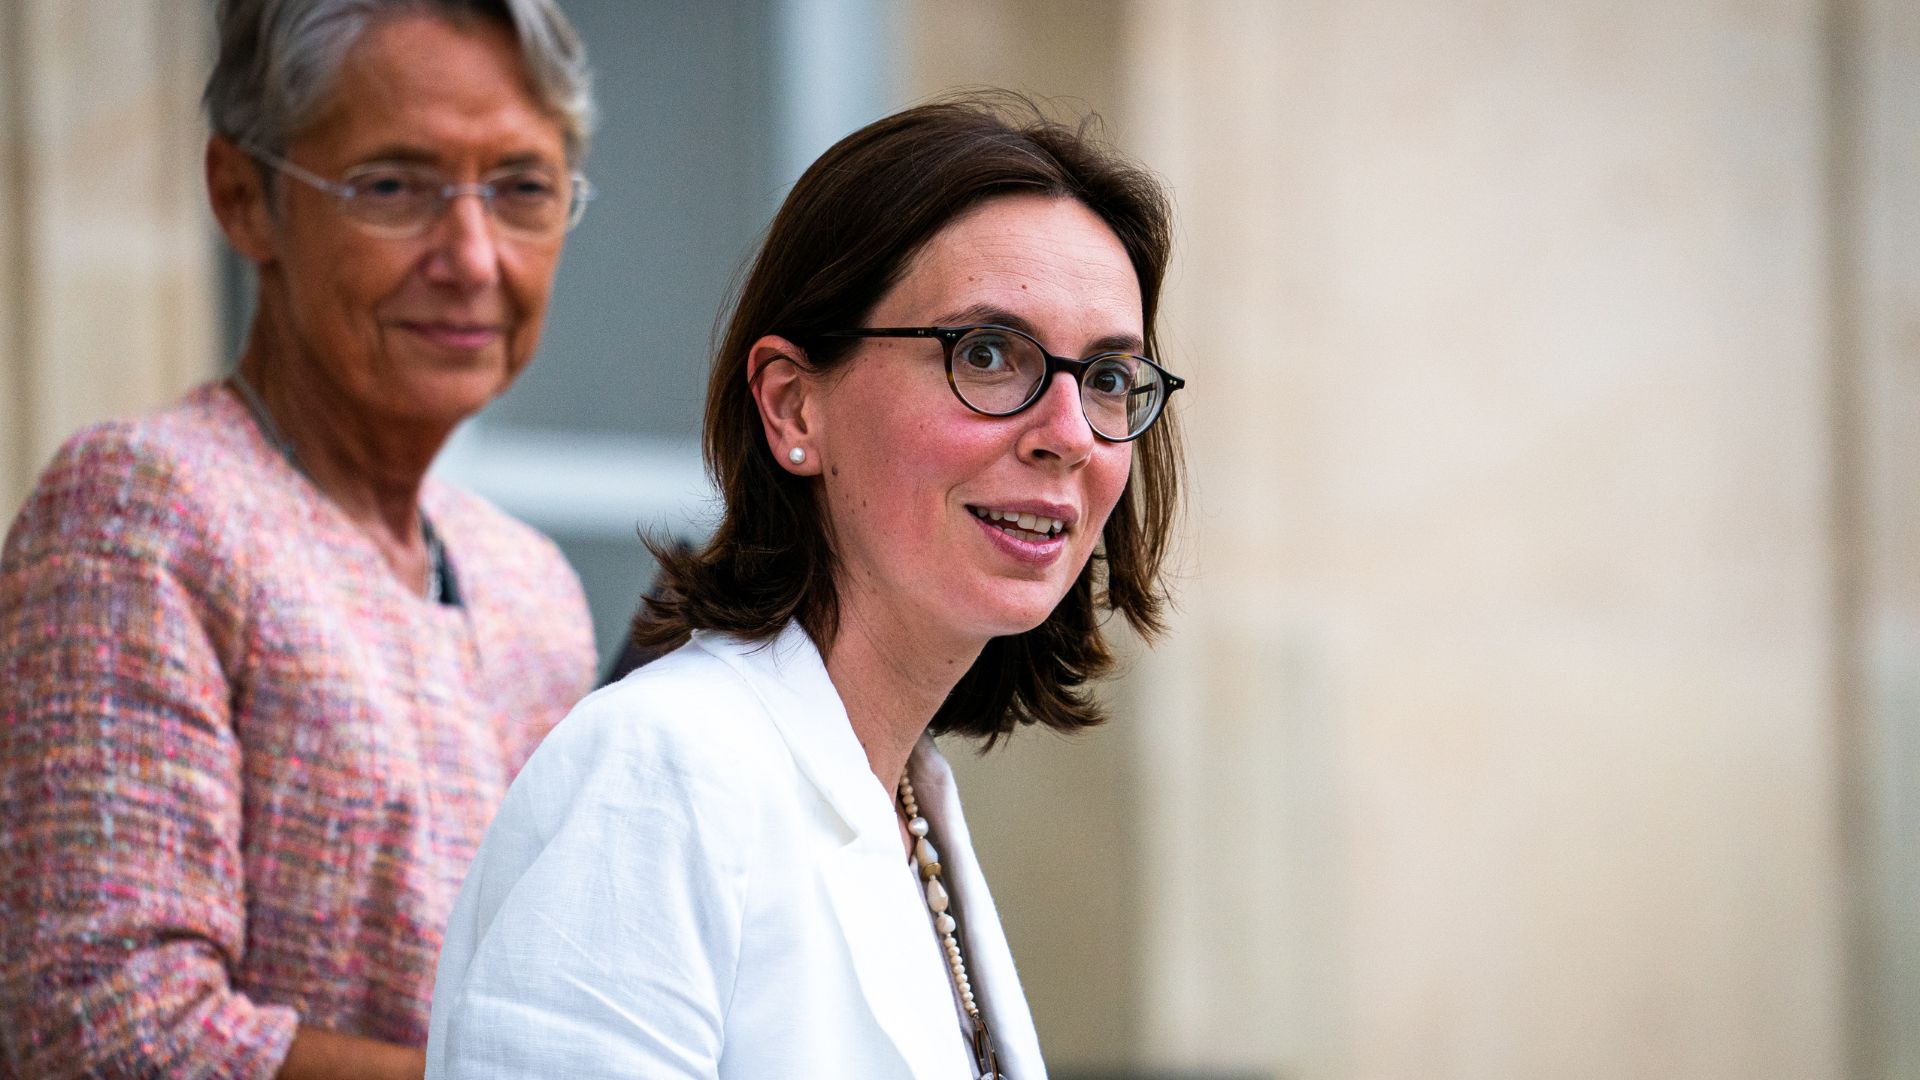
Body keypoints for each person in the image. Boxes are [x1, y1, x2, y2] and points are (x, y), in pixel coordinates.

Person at [425, 95, 1188, 1079]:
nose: (1069, 433)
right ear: (794, 405)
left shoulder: (910, 800)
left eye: (1109, 378)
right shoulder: (656, 771)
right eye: (989, 354)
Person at [0, 1, 598, 1076]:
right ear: (244, 197)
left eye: (521, 189)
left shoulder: (530, 581)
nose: (471, 257)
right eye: (393, 187)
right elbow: (101, 1026)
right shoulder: (143, 511)